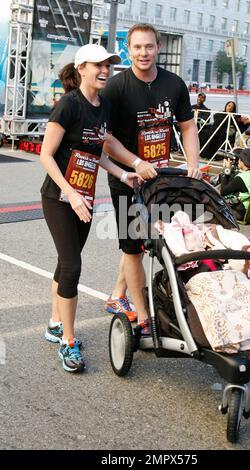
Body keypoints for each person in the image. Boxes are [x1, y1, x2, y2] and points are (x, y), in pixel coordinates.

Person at [40, 44, 143, 373]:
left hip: (84, 195)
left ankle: (54, 324)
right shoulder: (68, 105)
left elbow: (95, 151)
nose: (105, 70)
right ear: (81, 67)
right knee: (72, 266)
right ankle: (68, 341)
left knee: (65, 264)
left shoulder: (104, 106)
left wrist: (123, 172)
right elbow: (45, 154)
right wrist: (69, 193)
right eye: (98, 64)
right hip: (59, 197)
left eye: (109, 65)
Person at [102, 23, 202, 334]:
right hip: (128, 177)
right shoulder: (116, 87)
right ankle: (144, 318)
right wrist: (135, 162)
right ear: (128, 50)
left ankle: (118, 295)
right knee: (133, 245)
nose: (144, 53)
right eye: (137, 47)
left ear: (158, 48)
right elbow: (104, 137)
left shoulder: (174, 84)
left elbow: (187, 127)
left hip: (162, 179)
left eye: (149, 46)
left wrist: (193, 165)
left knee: (151, 240)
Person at [219, 148, 250, 220]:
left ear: (243, 162)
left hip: (238, 212)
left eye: (239, 159)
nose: (238, 160)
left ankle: (199, 220)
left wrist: (226, 170)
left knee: (203, 196)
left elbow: (223, 192)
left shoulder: (242, 179)